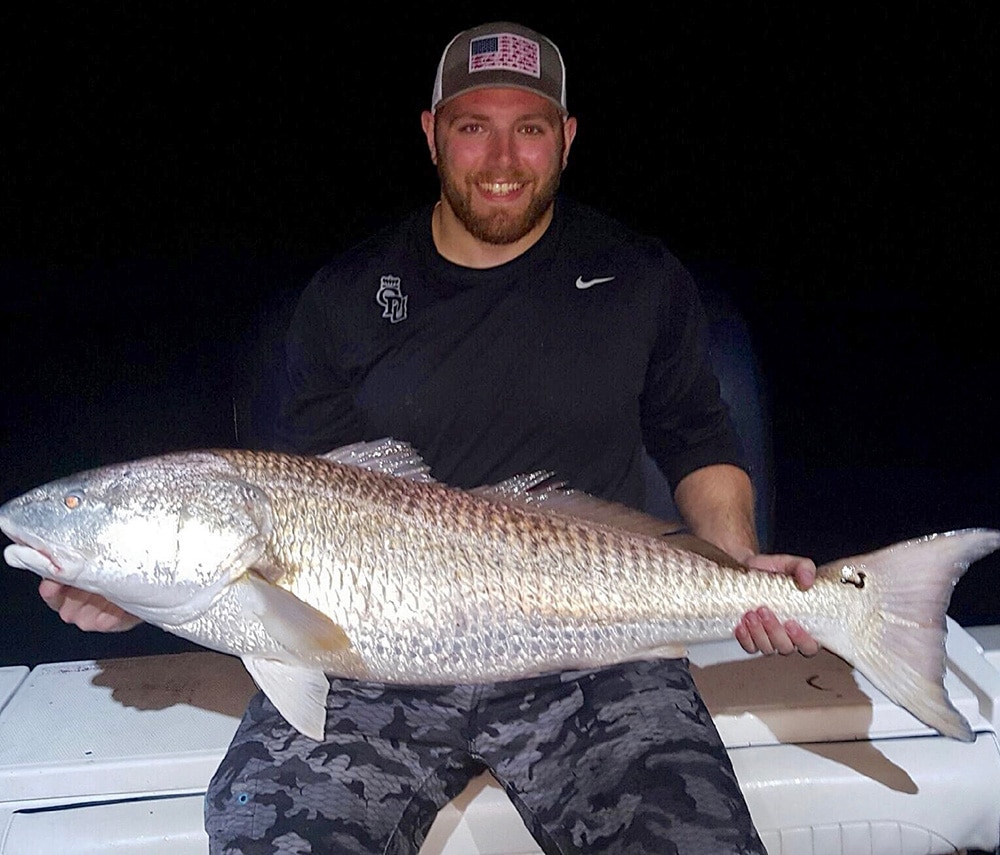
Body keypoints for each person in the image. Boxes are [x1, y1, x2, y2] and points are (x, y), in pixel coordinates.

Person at [41, 21, 819, 854]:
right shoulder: (343, 297)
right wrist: (136, 590)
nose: (501, 159)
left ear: (567, 137)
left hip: (597, 646)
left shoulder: (638, 277)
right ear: (431, 132)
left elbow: (698, 436)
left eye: (529, 128)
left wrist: (738, 572)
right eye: (472, 127)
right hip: (366, 665)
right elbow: (290, 531)